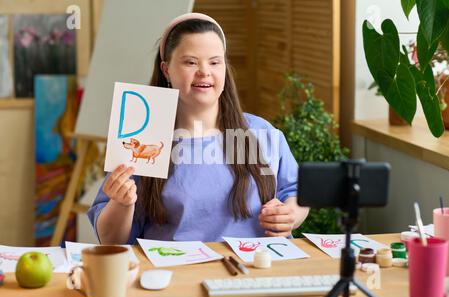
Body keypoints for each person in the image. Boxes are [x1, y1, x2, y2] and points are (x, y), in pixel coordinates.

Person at [87, 13, 309, 245]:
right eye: (190, 62)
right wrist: (121, 203)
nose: (204, 71)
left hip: (256, 269)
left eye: (215, 62)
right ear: (166, 70)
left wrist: (290, 215)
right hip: (174, 273)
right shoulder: (142, 140)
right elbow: (111, 240)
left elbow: (296, 191)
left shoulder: (262, 132)